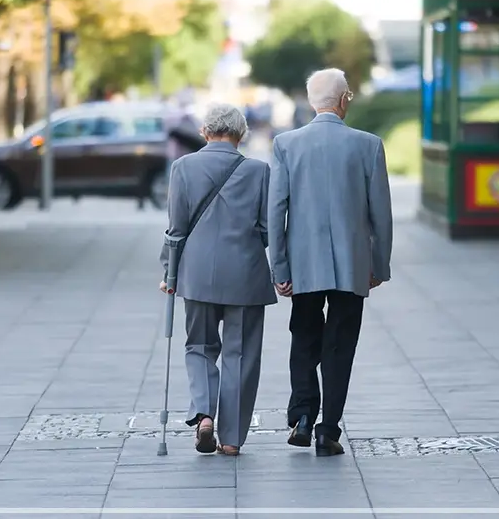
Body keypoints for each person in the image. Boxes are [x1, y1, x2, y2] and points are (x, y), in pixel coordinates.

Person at [267, 68, 393, 457]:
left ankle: (303, 416)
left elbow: (276, 210)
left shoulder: (286, 144)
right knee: (340, 345)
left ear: (311, 102)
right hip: (352, 265)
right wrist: (379, 265)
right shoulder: (368, 145)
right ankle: (329, 430)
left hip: (303, 264)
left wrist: (280, 268)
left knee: (304, 336)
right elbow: (381, 214)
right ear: (343, 101)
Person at [160, 104, 276, 456]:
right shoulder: (258, 171)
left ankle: (204, 413)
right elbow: (267, 228)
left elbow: (176, 228)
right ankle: (231, 438)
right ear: (241, 134)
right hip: (246, 274)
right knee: (241, 354)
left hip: (196, 274)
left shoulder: (183, 167)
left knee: (199, 346)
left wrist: (169, 271)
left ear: (205, 132)